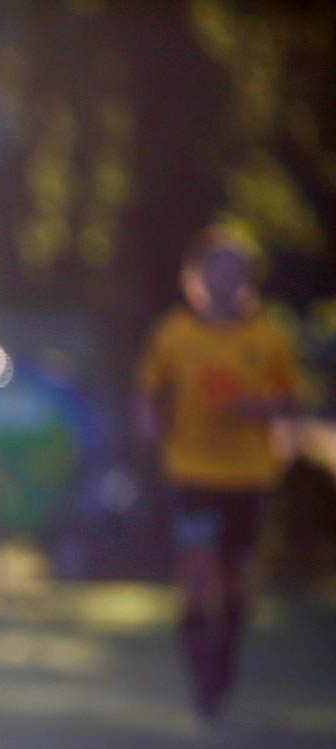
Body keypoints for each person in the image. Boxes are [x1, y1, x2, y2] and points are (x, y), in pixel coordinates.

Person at [132, 226, 301, 722]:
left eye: (235, 269)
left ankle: (224, 664)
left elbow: (288, 402)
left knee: (235, 580)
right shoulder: (174, 334)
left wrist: (257, 410)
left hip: (247, 476)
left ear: (247, 278)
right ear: (198, 274)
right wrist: (147, 422)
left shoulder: (268, 338)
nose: (225, 278)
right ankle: (201, 675)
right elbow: (148, 389)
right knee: (197, 571)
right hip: (192, 472)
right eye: (216, 267)